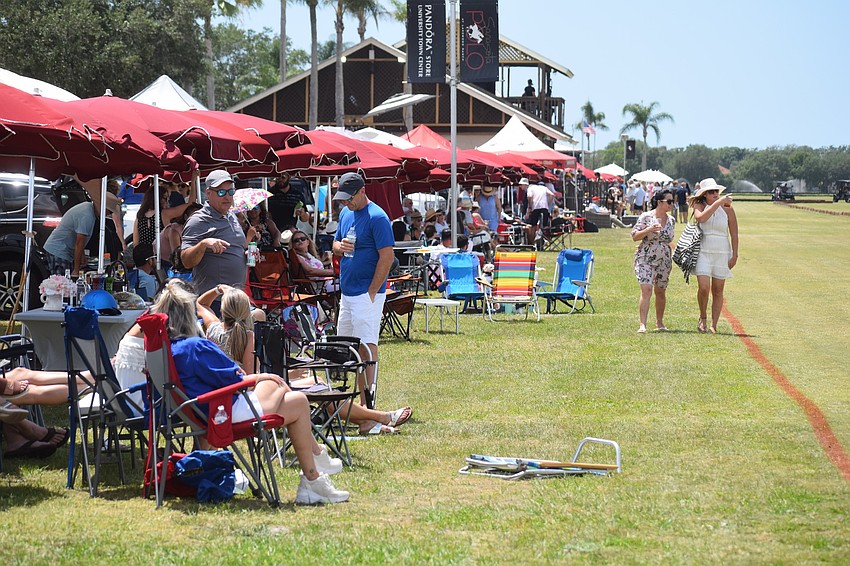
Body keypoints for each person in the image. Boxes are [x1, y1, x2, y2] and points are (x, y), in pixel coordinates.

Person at [155, 279, 350, 504]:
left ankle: (313, 481)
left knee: (297, 401)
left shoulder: (169, 349)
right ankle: (318, 457)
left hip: (204, 410)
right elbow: (238, 376)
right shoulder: (195, 347)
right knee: (277, 383)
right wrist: (261, 377)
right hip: (222, 411)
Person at [197, 285, 412, 435]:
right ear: (246, 312)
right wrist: (282, 376)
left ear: (223, 310)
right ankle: (381, 417)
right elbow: (251, 376)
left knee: (314, 384)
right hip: (254, 397)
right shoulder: (248, 336)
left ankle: (369, 421)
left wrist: (217, 290)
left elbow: (200, 304)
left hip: (232, 394)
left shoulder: (213, 329)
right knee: (319, 387)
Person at [332, 172, 394, 403]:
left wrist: (372, 291)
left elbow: (387, 257)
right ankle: (348, 402)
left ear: (362, 191)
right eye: (343, 198)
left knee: (366, 346)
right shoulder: (346, 213)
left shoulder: (377, 217)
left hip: (366, 293)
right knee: (346, 346)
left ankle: (367, 402)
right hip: (348, 292)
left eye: (349, 197)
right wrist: (338, 246)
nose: (346, 202)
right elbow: (335, 244)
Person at [180, 170, 248, 296]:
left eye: (230, 191)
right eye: (221, 192)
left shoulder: (231, 215)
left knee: (259, 315)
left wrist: (246, 254)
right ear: (208, 193)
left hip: (235, 298)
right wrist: (203, 244)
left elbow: (236, 247)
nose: (227, 197)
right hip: (212, 300)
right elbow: (186, 261)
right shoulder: (198, 220)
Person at [690, 178, 738, 334]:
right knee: (704, 288)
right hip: (703, 250)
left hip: (722, 251)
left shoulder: (728, 209)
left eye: (716, 191)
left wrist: (735, 255)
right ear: (704, 195)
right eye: (711, 192)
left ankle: (713, 324)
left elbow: (734, 233)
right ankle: (702, 317)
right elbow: (701, 218)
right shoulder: (700, 206)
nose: (715, 194)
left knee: (718, 290)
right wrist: (718, 203)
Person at [43, 192, 122, 276]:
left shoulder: (88, 208)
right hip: (59, 251)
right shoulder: (87, 215)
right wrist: (76, 270)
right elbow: (79, 242)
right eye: (109, 211)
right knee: (61, 283)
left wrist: (82, 256)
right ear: (103, 208)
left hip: (62, 250)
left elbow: (80, 239)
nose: (109, 214)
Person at [631, 189, 676, 333]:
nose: (671, 204)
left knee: (660, 291)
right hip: (645, 258)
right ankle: (642, 324)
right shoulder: (646, 216)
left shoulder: (671, 220)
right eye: (668, 201)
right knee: (647, 289)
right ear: (659, 202)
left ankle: (660, 322)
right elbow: (635, 236)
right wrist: (649, 230)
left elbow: (669, 239)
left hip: (664, 260)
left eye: (672, 201)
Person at [133, 177, 198, 247]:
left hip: (142, 254)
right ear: (159, 199)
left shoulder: (140, 215)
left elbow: (135, 243)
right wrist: (193, 182)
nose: (167, 201)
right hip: (160, 253)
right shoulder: (164, 213)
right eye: (165, 198)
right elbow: (191, 204)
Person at [160, 203, 202, 269]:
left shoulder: (199, 230)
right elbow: (176, 256)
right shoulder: (174, 230)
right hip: (165, 262)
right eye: (194, 217)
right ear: (185, 217)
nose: (197, 221)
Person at [526, 181, 555, 245]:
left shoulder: (530, 188)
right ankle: (544, 239)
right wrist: (548, 204)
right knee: (544, 226)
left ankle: (533, 242)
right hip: (544, 207)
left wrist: (530, 205)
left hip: (535, 207)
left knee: (533, 225)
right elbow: (552, 195)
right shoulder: (544, 188)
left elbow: (529, 196)